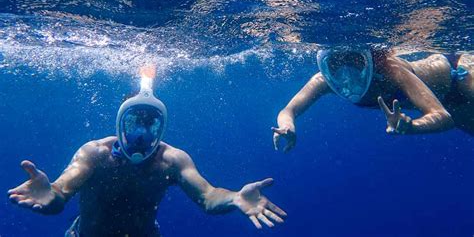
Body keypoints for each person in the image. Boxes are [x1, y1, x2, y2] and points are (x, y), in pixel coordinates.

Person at [8, 69, 287, 236]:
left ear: (161, 126)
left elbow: (208, 196)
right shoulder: (94, 154)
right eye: (133, 123)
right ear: (119, 123)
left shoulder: (171, 161)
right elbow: (59, 194)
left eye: (149, 124)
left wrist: (235, 198)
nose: (141, 135)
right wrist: (50, 195)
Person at [273, 47, 473, 151]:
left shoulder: (392, 71)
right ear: (326, 66)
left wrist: (413, 126)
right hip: (452, 103)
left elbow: (441, 116)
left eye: (354, 62)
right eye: (335, 65)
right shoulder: (324, 81)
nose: (347, 75)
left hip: (462, 75)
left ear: (370, 59)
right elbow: (288, 111)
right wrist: (287, 126)